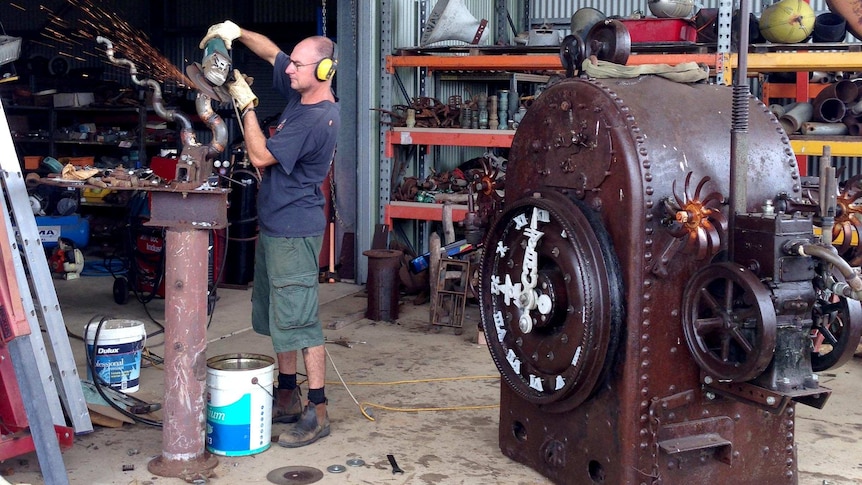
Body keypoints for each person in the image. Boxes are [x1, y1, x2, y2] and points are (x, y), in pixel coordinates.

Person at [199, 21, 340, 448]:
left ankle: (317, 409)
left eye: (298, 65)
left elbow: (260, 155)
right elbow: (270, 52)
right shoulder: (301, 88)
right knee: (281, 318)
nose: (288, 69)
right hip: (277, 226)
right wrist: (236, 32)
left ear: (323, 71)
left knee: (301, 320)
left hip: (295, 232)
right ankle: (286, 395)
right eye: (292, 63)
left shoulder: (318, 118)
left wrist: (246, 105)